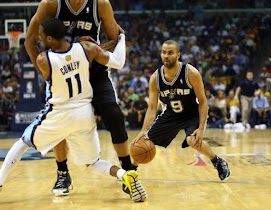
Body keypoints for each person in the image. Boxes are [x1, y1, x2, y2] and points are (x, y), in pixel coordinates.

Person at [0, 18, 147, 202]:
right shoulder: (86, 48)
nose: (39, 37)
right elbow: (118, 62)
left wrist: (32, 39)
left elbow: (37, 54)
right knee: (92, 163)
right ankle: (124, 175)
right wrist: (121, 38)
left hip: (60, 113)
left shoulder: (43, 59)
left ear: (51, 39)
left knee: (22, 143)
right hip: (85, 113)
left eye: (42, 35)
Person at [24, 0, 133, 196]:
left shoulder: (101, 4)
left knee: (113, 114)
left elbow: (116, 39)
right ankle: (63, 172)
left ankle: (129, 169)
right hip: (62, 72)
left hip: (96, 71)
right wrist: (44, 73)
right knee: (59, 120)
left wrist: (91, 49)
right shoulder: (50, 5)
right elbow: (29, 40)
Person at [134, 40, 231, 181]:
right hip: (171, 114)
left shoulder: (191, 73)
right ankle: (131, 170)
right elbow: (152, 107)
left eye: (170, 53)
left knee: (192, 140)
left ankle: (217, 161)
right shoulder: (155, 78)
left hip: (192, 114)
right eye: (163, 52)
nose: (166, 56)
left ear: (178, 55)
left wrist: (201, 128)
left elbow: (203, 102)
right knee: (144, 142)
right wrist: (144, 130)